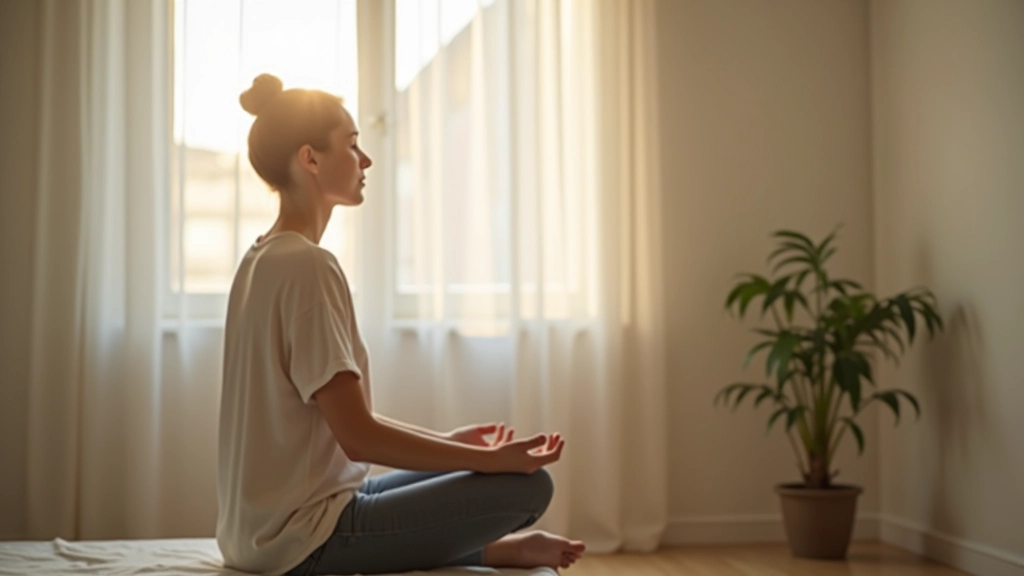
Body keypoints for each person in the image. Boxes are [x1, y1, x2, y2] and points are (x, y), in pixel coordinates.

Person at [216, 73, 586, 576]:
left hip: (255, 534)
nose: (365, 160)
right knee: (529, 486)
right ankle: (493, 549)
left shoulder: (259, 258)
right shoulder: (308, 266)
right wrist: (488, 460)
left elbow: (348, 424)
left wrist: (454, 444)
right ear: (310, 159)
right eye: (351, 144)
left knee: (417, 479)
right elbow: (360, 437)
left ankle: (506, 551)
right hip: (300, 543)